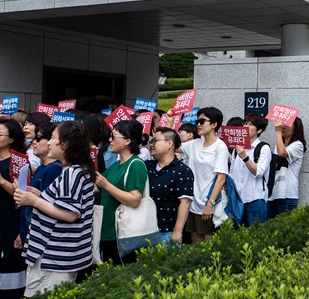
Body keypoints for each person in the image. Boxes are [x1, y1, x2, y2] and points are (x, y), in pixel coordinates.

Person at [14, 121, 96, 297]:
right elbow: (63, 203)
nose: (48, 142)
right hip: (57, 256)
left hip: (55, 257)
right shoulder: (77, 170)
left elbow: (69, 214)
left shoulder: (71, 173)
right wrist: (40, 195)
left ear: (65, 144)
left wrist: (35, 201)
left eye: (52, 138)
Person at [95, 120, 148, 264]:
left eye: (114, 136)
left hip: (123, 234)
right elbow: (96, 185)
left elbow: (134, 199)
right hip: (109, 231)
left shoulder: (136, 164)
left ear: (127, 141)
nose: (110, 140)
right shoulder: (115, 165)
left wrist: (107, 186)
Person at [177, 107, 228, 243]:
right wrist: (171, 123)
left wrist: (209, 204)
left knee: (208, 249)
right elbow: (172, 147)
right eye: (197, 121)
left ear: (214, 124)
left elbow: (221, 179)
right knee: (195, 248)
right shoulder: (194, 144)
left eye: (202, 121)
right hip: (193, 203)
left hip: (208, 204)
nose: (198, 124)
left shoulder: (220, 147)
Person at [17, 123, 63, 250]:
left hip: (42, 239)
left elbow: (50, 206)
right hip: (30, 232)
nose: (34, 143)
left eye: (38, 138)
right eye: (33, 140)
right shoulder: (42, 168)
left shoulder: (54, 169)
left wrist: (36, 198)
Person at [145, 127, 193, 246]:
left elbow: (185, 202)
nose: (151, 144)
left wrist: (177, 231)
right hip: (144, 230)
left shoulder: (182, 171)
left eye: (155, 141)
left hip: (167, 232)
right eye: (151, 141)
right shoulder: (146, 166)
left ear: (169, 143)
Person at [0, 119, 27, 298]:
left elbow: (21, 195)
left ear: (11, 139)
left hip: (9, 220)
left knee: (9, 262)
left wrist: (1, 181)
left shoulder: (17, 162)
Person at [229, 114, 272, 226]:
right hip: (237, 200)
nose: (245, 126)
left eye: (250, 124)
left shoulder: (263, 148)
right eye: (245, 123)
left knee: (255, 236)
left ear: (259, 130)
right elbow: (232, 173)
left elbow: (258, 172)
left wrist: (245, 157)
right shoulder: (236, 150)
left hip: (255, 199)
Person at [267, 117, 307, 219]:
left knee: (284, 228)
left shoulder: (298, 145)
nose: (283, 126)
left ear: (295, 129)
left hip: (287, 194)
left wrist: (278, 132)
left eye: (287, 124)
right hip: (273, 193)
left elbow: (282, 153)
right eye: (282, 124)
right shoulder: (279, 143)